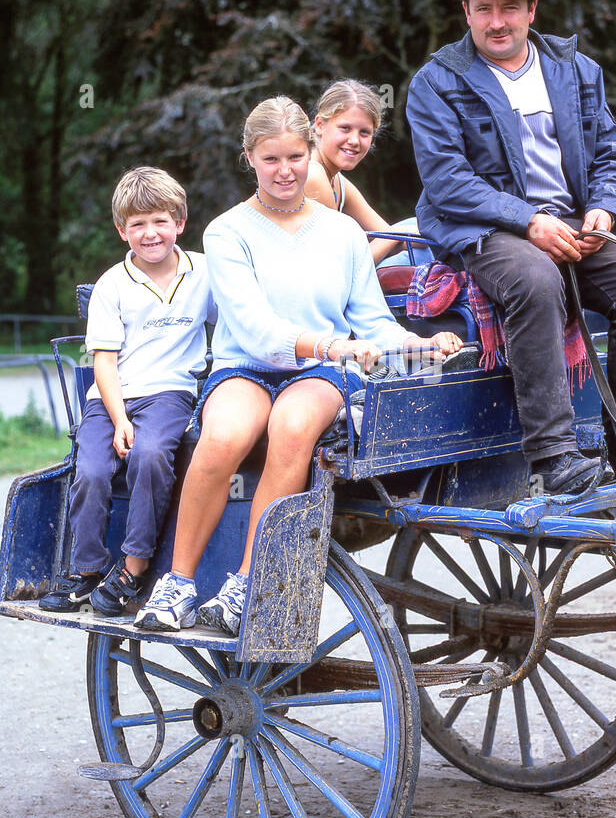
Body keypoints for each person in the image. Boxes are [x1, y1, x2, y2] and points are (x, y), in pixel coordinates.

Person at [135, 96, 462, 634]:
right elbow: (259, 334)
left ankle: (244, 583)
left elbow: (372, 321)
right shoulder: (226, 232)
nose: (284, 171)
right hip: (246, 365)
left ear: (310, 152)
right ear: (249, 158)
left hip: (318, 375)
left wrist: (420, 345)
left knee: (292, 428)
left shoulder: (343, 234)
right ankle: (178, 582)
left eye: (294, 157)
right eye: (270, 160)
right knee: (225, 433)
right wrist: (334, 346)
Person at [406, 0, 616, 497]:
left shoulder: (575, 70)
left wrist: (605, 209)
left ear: (531, 12)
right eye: (485, 8)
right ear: (466, 12)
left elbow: (611, 150)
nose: (498, 21)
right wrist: (529, 221)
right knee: (536, 282)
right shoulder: (436, 82)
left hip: (575, 223)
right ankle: (554, 454)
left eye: (510, 8)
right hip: (485, 228)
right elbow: (447, 181)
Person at [40, 167, 214, 616]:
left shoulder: (205, 273)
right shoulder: (112, 285)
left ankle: (133, 568)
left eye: (160, 221)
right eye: (138, 224)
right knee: (93, 468)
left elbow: (238, 322)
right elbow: (103, 361)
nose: (150, 233)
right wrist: (118, 420)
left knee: (151, 454)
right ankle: (87, 568)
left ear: (180, 222)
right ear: (122, 230)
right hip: (110, 396)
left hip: (170, 393)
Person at [305, 79, 402, 264]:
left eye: (364, 132)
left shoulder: (337, 181)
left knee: (411, 228)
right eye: (345, 128)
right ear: (319, 125)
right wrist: (393, 235)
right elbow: (341, 268)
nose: (355, 140)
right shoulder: (313, 175)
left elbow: (391, 234)